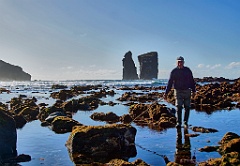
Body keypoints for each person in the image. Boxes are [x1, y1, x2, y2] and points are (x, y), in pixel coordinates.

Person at [164, 56, 196, 128]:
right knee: (178, 106)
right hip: (178, 91)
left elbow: (192, 81)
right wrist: (166, 93)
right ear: (176, 63)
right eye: (178, 62)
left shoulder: (187, 70)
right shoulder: (174, 71)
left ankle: (185, 122)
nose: (180, 63)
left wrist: (194, 91)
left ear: (183, 62)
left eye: (181, 62)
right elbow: (170, 82)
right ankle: (178, 122)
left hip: (187, 91)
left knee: (187, 107)